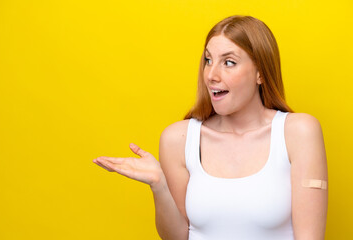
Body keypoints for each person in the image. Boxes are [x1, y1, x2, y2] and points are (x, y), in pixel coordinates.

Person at [93, 15, 328, 240]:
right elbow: (176, 237)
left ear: (260, 73)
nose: (211, 75)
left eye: (229, 62)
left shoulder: (298, 133)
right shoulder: (179, 138)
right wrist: (159, 186)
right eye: (208, 60)